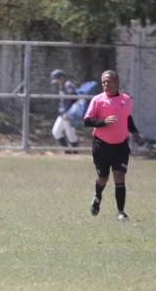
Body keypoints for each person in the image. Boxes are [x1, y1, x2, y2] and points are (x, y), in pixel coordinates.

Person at [84, 70, 144, 222]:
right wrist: (103, 122)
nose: (105, 84)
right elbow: (86, 121)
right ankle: (97, 196)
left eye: (108, 81)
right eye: (103, 81)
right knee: (103, 178)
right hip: (101, 145)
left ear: (117, 83)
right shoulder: (97, 100)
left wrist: (135, 133)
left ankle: (121, 212)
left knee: (119, 176)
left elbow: (127, 118)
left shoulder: (126, 99)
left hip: (121, 146)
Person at [50, 69, 79, 153]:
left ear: (62, 77)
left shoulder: (68, 85)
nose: (57, 82)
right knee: (56, 132)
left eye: (57, 79)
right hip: (62, 114)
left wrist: (70, 112)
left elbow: (75, 99)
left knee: (71, 135)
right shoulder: (62, 86)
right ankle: (67, 152)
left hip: (69, 114)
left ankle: (75, 153)